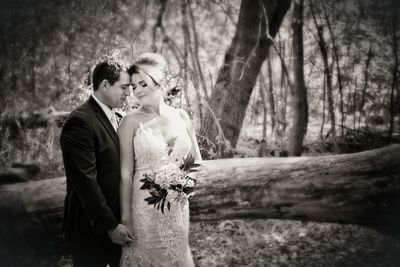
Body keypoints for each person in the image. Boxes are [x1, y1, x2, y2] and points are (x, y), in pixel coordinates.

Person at [118, 52, 202, 266]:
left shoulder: (181, 116)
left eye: (143, 84)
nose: (138, 91)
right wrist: (125, 218)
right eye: (134, 87)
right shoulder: (129, 123)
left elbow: (197, 162)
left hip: (177, 210)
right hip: (144, 212)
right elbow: (125, 175)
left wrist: (182, 185)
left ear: (158, 81)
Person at [60, 59, 134, 267]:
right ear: (105, 85)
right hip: (91, 229)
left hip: (118, 225)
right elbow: (85, 181)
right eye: (124, 87)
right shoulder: (80, 122)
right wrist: (110, 226)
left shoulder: (118, 117)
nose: (128, 94)